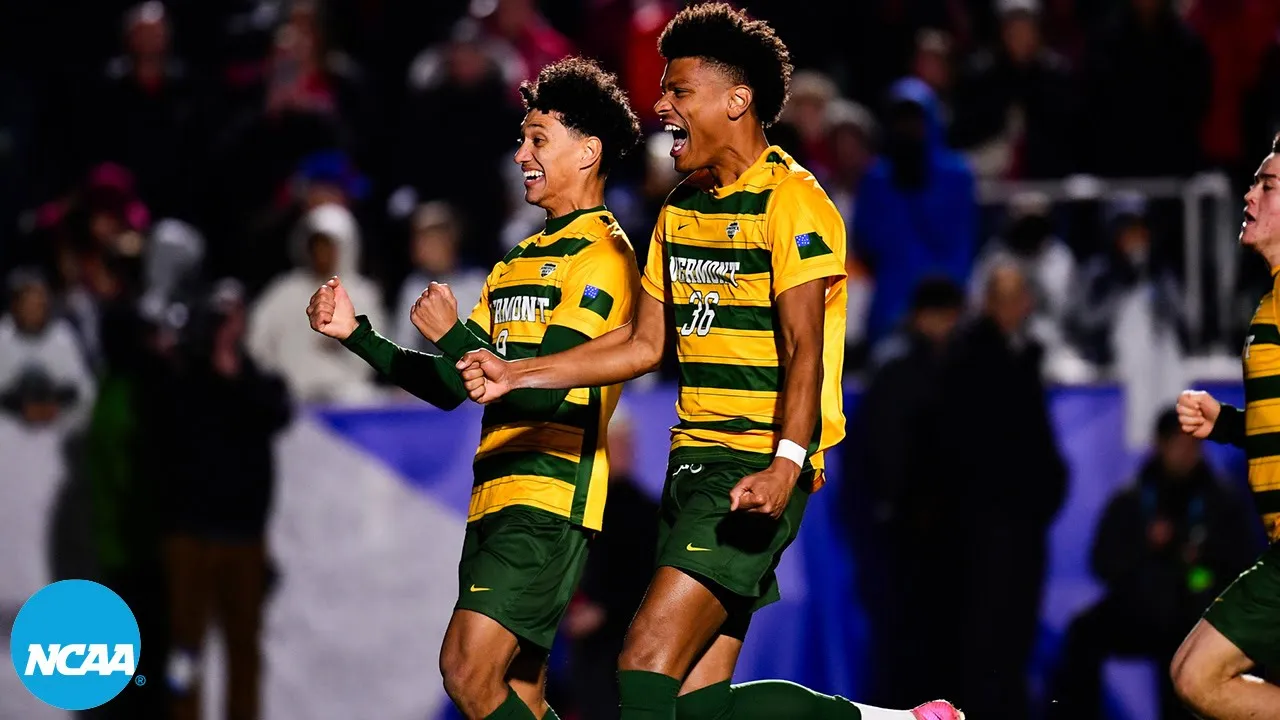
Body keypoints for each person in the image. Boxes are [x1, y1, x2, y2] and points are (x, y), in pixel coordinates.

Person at [456, 5, 963, 719]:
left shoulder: (794, 202)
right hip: (691, 462)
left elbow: (806, 350)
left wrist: (786, 464)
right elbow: (643, 345)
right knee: (701, 708)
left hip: (752, 465)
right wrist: (517, 373)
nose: (661, 105)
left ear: (736, 100)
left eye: (679, 91)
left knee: (643, 660)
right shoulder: (680, 208)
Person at [307, 57, 642, 720]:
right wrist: (357, 335)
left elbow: (543, 394)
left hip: (549, 500)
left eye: (538, 139)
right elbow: (446, 385)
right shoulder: (517, 260)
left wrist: (455, 335)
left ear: (588, 151)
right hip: (494, 497)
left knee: (464, 671)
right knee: (517, 694)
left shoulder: (605, 256)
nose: (520, 154)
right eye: (522, 138)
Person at [1048, 408, 1254, 720]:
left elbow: (1242, 563)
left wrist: (1200, 560)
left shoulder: (1221, 500)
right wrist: (1146, 547)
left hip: (1198, 612)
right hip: (1140, 608)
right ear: (1159, 445)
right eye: (1178, 444)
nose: (1186, 453)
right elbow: (1102, 564)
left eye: (1193, 445)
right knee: (1083, 633)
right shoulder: (1131, 499)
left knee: (1188, 650)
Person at [1171, 135, 1280, 718]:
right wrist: (1228, 424)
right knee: (1195, 674)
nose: (1249, 195)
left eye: (1268, 185)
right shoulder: (1271, 300)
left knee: (1198, 675)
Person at [933, 261, 1067, 718]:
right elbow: (963, 445)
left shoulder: (1024, 355)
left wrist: (1047, 492)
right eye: (1004, 297)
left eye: (1019, 296)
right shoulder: (969, 358)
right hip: (985, 525)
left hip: (1022, 523)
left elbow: (1038, 442)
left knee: (1016, 633)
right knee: (984, 635)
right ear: (988, 302)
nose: (1014, 306)